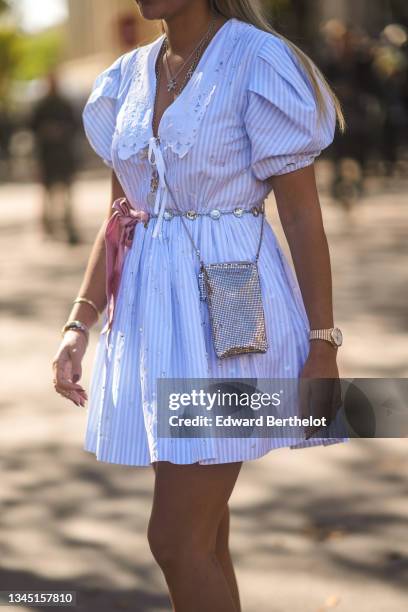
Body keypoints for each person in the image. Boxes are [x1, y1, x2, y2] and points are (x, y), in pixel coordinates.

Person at [52, 1, 349, 610]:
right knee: (206, 536)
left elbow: (300, 212)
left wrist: (324, 340)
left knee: (175, 539)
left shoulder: (258, 60)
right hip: (157, 326)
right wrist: (80, 321)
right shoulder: (126, 78)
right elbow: (122, 217)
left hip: (234, 320)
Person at [31, 71, 80, 244]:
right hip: (47, 155)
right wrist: (47, 132)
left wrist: (61, 131)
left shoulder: (64, 104)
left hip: (63, 154)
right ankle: (48, 225)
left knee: (66, 193)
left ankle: (68, 224)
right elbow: (33, 127)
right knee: (47, 193)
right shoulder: (42, 106)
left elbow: (74, 125)